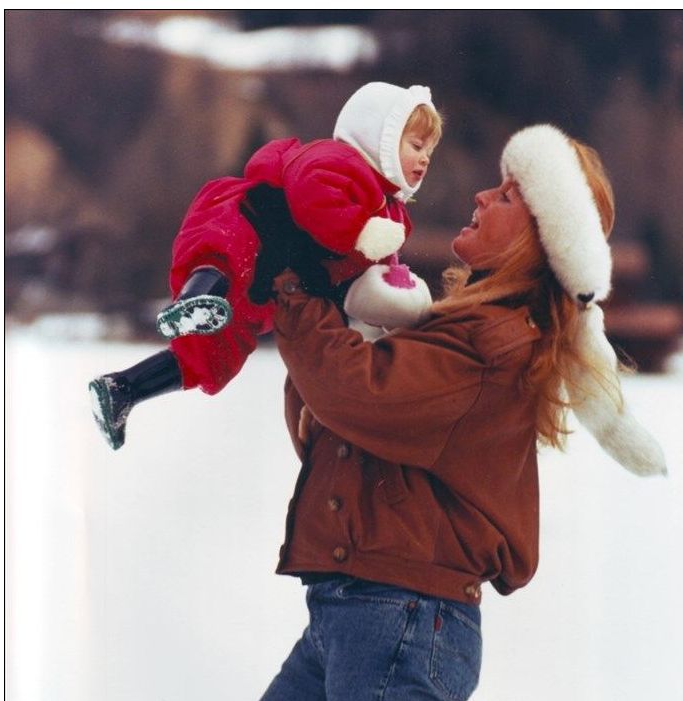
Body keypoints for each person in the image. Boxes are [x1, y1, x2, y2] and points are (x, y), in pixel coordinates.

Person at [191, 124, 666, 701]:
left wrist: (292, 288)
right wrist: (332, 299)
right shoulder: (438, 322)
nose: (481, 198)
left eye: (505, 195)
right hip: (351, 611)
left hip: (405, 618)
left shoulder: (492, 339)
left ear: (535, 238)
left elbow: (353, 395)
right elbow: (328, 419)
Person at [88, 82, 441, 450]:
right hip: (252, 227)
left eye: (429, 151)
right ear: (378, 139)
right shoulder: (338, 161)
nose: (425, 158)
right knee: (227, 256)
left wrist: (390, 297)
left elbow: (375, 269)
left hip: (268, 287)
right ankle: (190, 305)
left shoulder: (392, 212)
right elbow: (313, 195)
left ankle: (123, 390)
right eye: (416, 146)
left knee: (215, 357)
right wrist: (360, 230)